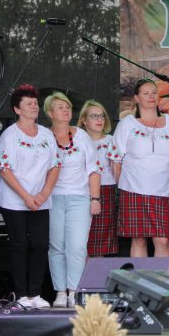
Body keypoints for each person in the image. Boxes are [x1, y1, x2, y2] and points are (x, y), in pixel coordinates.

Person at [0, 84, 59, 309]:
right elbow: (4, 169)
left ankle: (35, 293)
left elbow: (55, 166)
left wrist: (43, 193)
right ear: (17, 109)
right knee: (19, 244)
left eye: (35, 103)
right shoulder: (9, 135)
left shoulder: (47, 134)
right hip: (14, 200)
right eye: (28, 103)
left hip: (40, 200)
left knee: (40, 244)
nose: (34, 106)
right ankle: (21, 294)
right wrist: (26, 196)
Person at [113, 79, 169, 258]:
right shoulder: (127, 124)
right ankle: (140, 277)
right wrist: (122, 188)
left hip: (163, 192)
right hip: (133, 190)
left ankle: (163, 278)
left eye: (154, 92)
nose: (151, 96)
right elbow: (115, 161)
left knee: (163, 240)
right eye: (146, 93)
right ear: (136, 98)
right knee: (139, 240)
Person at [46, 92, 101, 308]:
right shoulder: (44, 137)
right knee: (56, 246)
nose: (66, 110)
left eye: (68, 107)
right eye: (60, 107)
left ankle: (75, 291)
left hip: (79, 197)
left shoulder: (81, 136)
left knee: (77, 247)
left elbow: (94, 169)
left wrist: (95, 198)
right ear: (50, 113)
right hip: (52, 198)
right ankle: (60, 292)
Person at [81, 100, 121, 258]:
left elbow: (117, 170)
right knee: (81, 241)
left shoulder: (111, 141)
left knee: (100, 243)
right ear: (84, 120)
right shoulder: (78, 140)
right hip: (82, 191)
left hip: (106, 191)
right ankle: (80, 274)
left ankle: (96, 273)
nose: (99, 119)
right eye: (94, 116)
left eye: (102, 116)